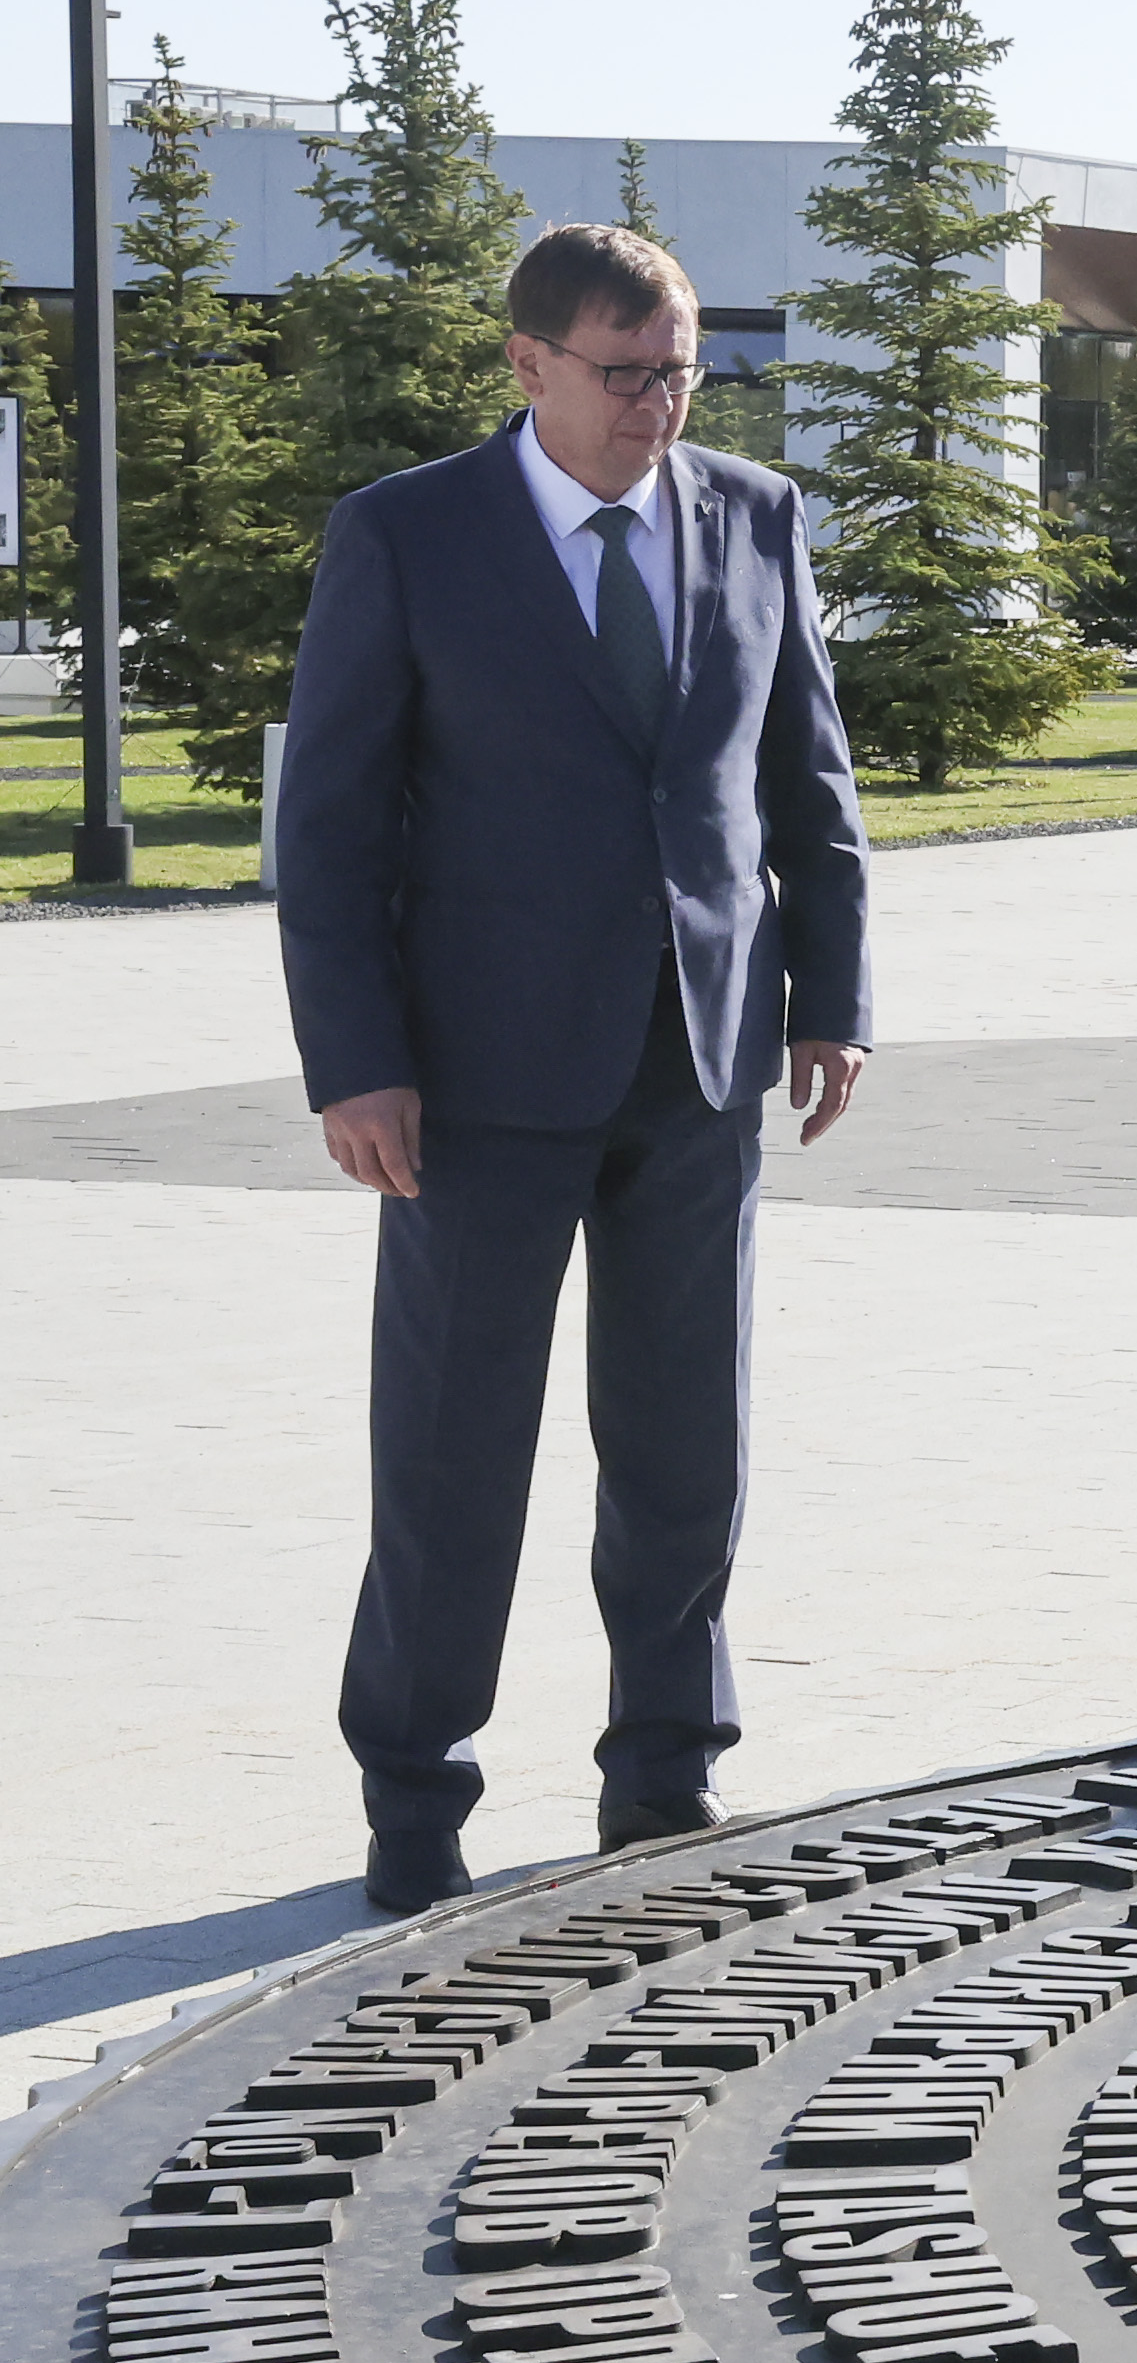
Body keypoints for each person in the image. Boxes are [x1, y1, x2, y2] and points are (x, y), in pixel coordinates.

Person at [275, 224, 872, 1913]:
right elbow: (329, 828)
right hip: (470, 1082)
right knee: (452, 1452)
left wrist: (833, 999)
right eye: (624, 373)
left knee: (686, 1449)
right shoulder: (407, 534)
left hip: (700, 1059)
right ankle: (414, 1793)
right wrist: (355, 1063)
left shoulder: (756, 516)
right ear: (528, 362)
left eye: (681, 370)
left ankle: (665, 1772)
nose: (658, 403)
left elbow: (808, 783)